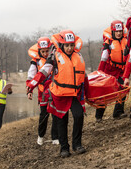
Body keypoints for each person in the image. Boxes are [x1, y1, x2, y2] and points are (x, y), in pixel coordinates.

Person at [27, 30, 88, 158]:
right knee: (61, 121)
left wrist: (88, 92)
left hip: (74, 94)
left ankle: (77, 145)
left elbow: (83, 76)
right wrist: (31, 85)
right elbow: (43, 72)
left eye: (71, 45)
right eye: (67, 45)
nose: (70, 48)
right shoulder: (54, 57)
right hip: (59, 95)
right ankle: (64, 148)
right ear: (61, 45)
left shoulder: (79, 56)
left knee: (78, 116)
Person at [26, 37, 59, 145]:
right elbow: (31, 77)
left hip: (55, 90)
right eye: (43, 51)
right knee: (44, 115)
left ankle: (55, 137)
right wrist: (29, 90)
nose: (45, 53)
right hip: (42, 91)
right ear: (39, 51)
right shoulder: (35, 62)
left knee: (55, 114)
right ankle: (40, 136)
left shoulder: (56, 59)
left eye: (47, 51)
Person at [95, 20, 128, 122]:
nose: (118, 33)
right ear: (112, 32)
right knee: (105, 93)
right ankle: (99, 116)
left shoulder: (126, 41)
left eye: (120, 31)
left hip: (121, 71)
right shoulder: (108, 43)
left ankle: (118, 113)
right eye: (116, 31)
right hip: (108, 70)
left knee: (122, 89)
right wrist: (99, 73)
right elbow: (103, 59)